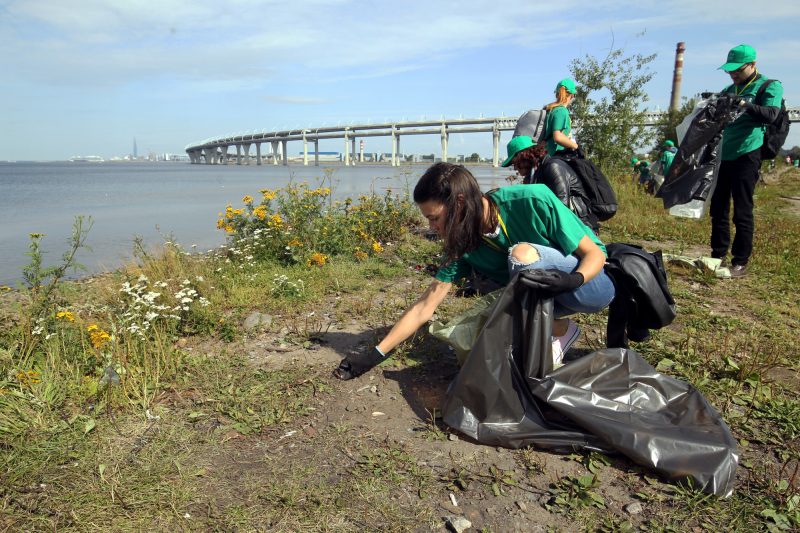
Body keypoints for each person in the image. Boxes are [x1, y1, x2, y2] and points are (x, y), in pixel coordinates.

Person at [333, 162, 615, 380]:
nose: (431, 227)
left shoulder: (531, 200)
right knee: (498, 302)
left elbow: (595, 254)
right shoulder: (463, 242)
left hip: (590, 286)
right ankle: (559, 331)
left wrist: (571, 280)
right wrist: (374, 355)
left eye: (434, 218)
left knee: (520, 255)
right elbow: (425, 306)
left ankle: (536, 347)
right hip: (550, 301)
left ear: (457, 203)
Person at [711, 44, 784, 278]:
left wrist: (744, 104)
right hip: (725, 154)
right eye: (729, 71)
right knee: (718, 207)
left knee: (742, 210)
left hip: (748, 153)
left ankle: (740, 261)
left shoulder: (769, 85)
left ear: (752, 64)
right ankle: (717, 254)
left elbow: (771, 114)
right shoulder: (729, 88)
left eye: (737, 70)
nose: (733, 75)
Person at [501, 135, 599, 232]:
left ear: (523, 156)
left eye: (515, 163)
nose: (514, 168)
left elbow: (561, 208)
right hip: (563, 228)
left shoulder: (553, 167)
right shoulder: (534, 174)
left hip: (581, 229)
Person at [543, 78, 580, 157]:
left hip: (548, 156)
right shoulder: (561, 111)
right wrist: (576, 146)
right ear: (572, 95)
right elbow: (558, 136)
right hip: (557, 157)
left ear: (557, 94)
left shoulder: (550, 109)